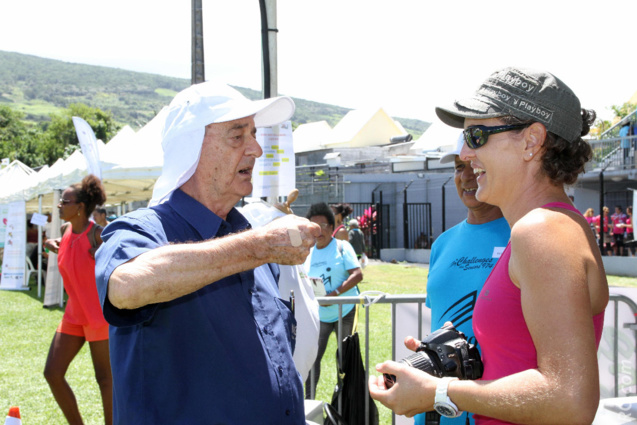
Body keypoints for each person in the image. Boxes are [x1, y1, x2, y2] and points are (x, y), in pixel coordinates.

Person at [370, 66, 608, 425]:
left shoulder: (542, 230)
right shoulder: (554, 225)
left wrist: (438, 393)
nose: (465, 153)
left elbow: (570, 400)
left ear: (532, 141)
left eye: (477, 136)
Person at [95, 81, 320, 424]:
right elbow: (127, 285)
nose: (256, 150)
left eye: (255, 134)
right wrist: (257, 247)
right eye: (237, 136)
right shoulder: (143, 229)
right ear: (191, 148)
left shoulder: (247, 239)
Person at [414, 134, 510, 425]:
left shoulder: (521, 236)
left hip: (493, 407)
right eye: (458, 166)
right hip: (435, 408)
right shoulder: (442, 243)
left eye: (474, 165)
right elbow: (440, 321)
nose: (466, 175)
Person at [43, 174, 111, 425]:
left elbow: (125, 253)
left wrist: (104, 253)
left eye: (65, 201)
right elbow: (68, 247)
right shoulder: (65, 230)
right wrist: (53, 244)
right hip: (74, 314)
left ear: (80, 207)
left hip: (98, 316)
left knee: (105, 380)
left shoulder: (99, 235)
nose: (60, 205)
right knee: (52, 372)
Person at [304, 202, 363, 399]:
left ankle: (344, 404)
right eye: (313, 226)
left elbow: (357, 274)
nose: (318, 231)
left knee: (345, 360)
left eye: (323, 225)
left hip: (345, 311)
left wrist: (335, 293)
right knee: (313, 359)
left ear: (331, 227)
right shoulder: (308, 253)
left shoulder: (342, 246)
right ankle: (308, 403)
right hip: (320, 315)